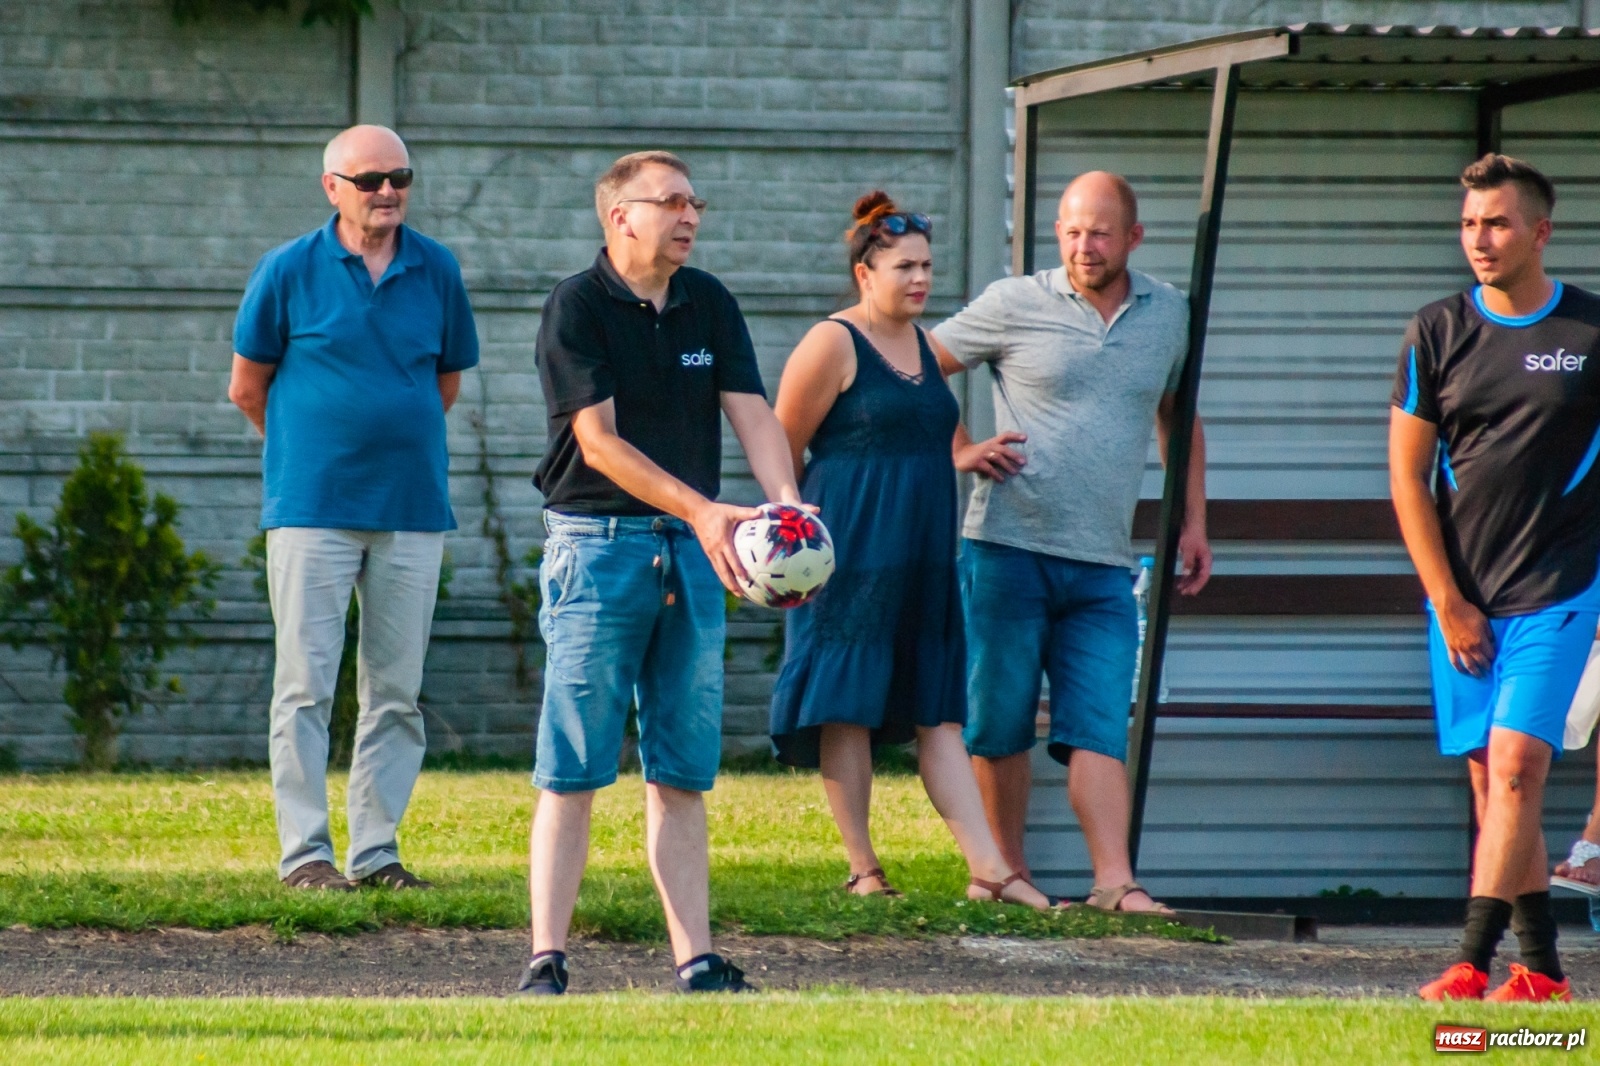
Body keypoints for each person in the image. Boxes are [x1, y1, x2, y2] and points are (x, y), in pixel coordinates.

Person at [519, 150, 802, 996]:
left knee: (681, 768)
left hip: (692, 548)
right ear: (621, 216)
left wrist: (789, 509)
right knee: (573, 765)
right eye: (671, 202)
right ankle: (546, 960)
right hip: (597, 547)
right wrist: (704, 511)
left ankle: (697, 961)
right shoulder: (577, 304)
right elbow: (599, 444)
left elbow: (753, 411)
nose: (690, 216)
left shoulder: (707, 301)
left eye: (695, 203)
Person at [932, 171, 1211, 917]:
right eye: (1072, 232)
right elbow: (915, 366)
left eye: (1100, 233)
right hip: (1005, 549)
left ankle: (1115, 883)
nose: (1085, 247)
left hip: (1103, 567)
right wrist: (961, 449)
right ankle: (1005, 875)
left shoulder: (1169, 313)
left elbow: (1177, 416)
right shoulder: (1013, 302)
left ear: (1134, 237)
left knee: (1099, 724)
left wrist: (1192, 519)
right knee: (1000, 722)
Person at [767, 191, 1054, 910]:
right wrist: (790, 534)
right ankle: (863, 868)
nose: (921, 278)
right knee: (847, 705)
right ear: (865, 273)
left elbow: (924, 420)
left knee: (939, 711)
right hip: (851, 551)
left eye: (926, 266)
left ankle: (990, 870)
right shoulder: (832, 342)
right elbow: (780, 442)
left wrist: (963, 452)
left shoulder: (926, 345)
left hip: (923, 551)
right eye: (905, 267)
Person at [229, 124, 478, 892]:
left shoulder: (437, 268)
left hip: (411, 507)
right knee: (305, 687)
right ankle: (306, 855)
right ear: (332, 187)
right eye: (370, 180)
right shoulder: (287, 269)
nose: (387, 192)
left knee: (395, 693)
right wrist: (311, 451)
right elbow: (247, 386)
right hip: (312, 508)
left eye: (400, 177)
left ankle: (376, 854)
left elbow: (443, 383)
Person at [1392, 154, 1600, 1003]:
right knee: (1494, 784)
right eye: (1470, 223)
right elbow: (1408, 477)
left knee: (1516, 769)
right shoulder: (1436, 330)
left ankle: (1469, 965)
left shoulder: (1591, 332)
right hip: (1464, 602)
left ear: (1540, 232)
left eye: (1498, 223)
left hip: (1561, 590)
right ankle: (1543, 974)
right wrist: (1448, 601)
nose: (1480, 239)